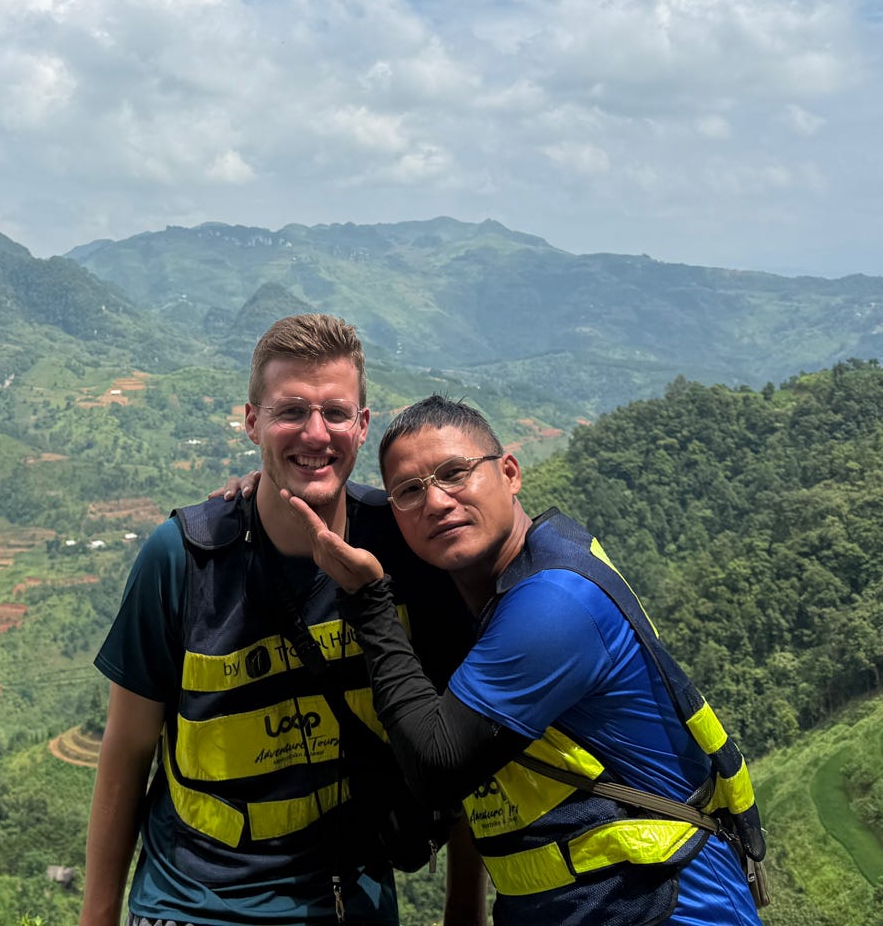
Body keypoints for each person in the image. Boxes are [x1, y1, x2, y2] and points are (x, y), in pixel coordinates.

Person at [286, 395, 765, 926]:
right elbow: (483, 764)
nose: (436, 502)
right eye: (409, 491)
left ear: (510, 473)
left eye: (455, 473)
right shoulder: (492, 589)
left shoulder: (554, 603)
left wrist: (370, 604)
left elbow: (438, 767)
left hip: (669, 907)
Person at [81, 316, 483, 926]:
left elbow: (463, 735)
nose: (315, 434)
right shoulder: (184, 559)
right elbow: (127, 750)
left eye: (336, 413)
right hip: (196, 904)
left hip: (355, 900)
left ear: (362, 425)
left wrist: (465, 908)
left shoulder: (405, 547)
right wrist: (97, 916)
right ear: (253, 423)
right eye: (291, 411)